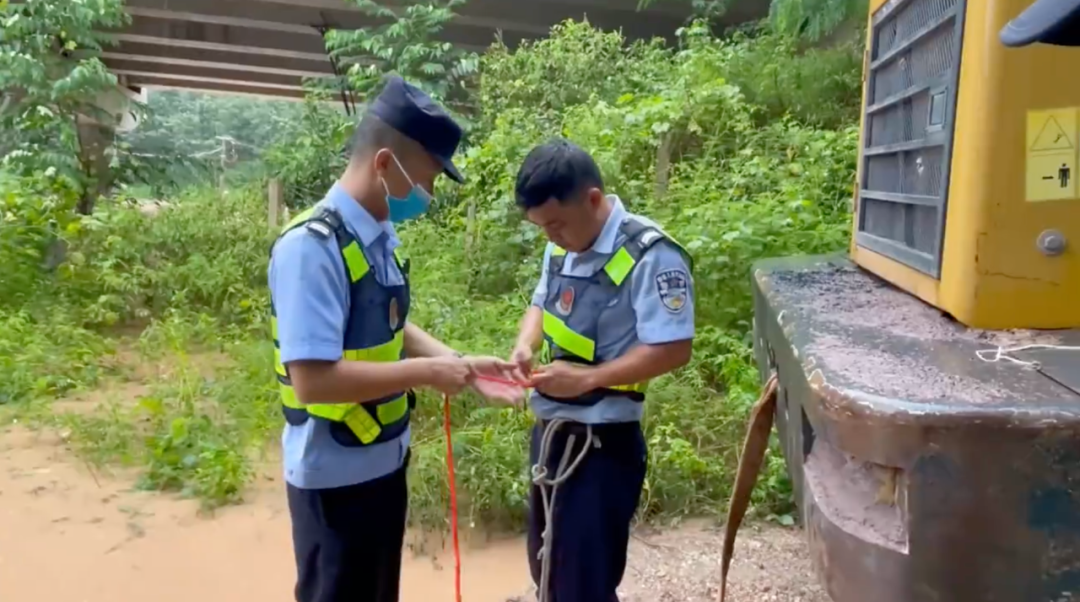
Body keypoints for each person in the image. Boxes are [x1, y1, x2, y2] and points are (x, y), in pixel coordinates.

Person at [268, 75, 518, 602]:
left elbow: (390, 325)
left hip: (382, 463)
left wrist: (461, 365)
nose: (424, 197)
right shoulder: (311, 248)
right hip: (333, 480)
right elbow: (312, 381)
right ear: (383, 165)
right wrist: (429, 375)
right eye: (423, 182)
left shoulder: (377, 236)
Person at [509, 139, 695, 602]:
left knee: (584, 581)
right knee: (546, 563)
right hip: (551, 431)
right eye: (541, 228)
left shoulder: (652, 254)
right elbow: (540, 302)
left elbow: (674, 348)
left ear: (593, 200)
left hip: (602, 444)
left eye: (556, 224)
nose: (550, 237)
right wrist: (524, 345)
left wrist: (589, 378)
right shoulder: (561, 245)